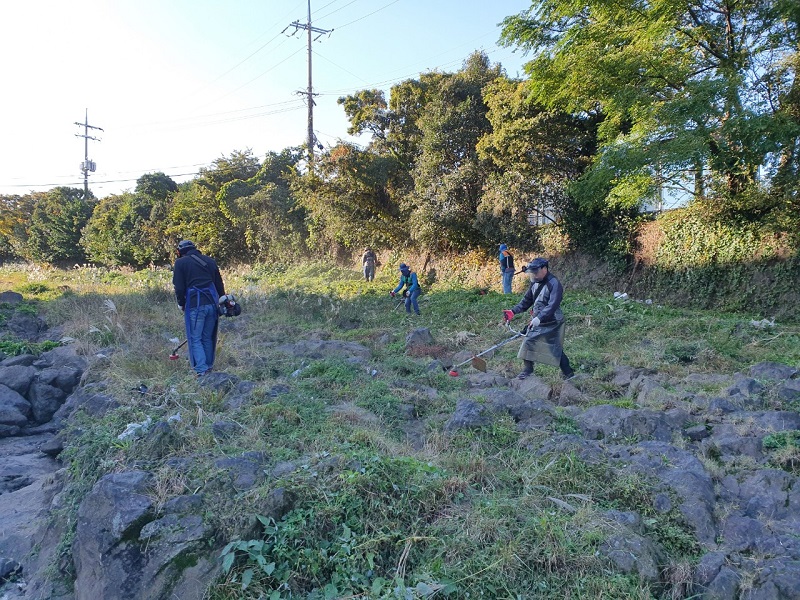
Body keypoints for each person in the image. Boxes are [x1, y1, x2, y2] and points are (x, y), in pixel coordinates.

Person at [502, 257, 575, 380]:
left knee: (554, 347)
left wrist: (539, 318)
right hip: (538, 320)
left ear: (544, 269)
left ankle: (569, 373)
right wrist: (513, 311)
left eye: (536, 272)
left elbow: (553, 305)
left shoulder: (554, 284)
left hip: (553, 321)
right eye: (532, 273)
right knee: (528, 341)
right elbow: (526, 301)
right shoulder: (534, 283)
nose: (534, 275)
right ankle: (528, 369)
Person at [172, 240, 226, 376]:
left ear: (180, 252)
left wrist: (181, 303)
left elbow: (179, 287)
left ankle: (201, 371)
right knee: (207, 337)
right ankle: (208, 368)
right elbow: (219, 284)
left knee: (195, 338)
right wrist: (222, 300)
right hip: (212, 304)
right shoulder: (210, 261)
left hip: (195, 305)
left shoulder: (180, 263)